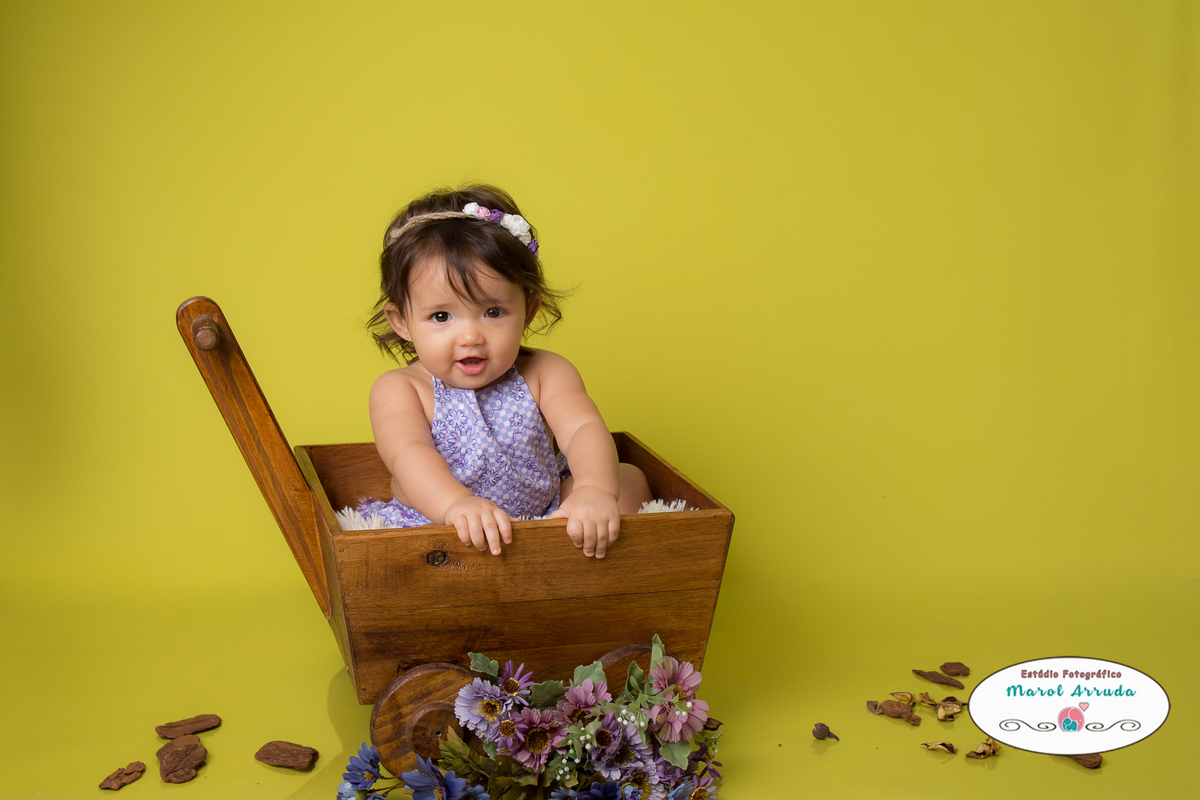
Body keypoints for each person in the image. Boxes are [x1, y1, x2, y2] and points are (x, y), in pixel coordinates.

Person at [359, 184, 651, 558]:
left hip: (542, 509)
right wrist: (456, 504)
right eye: (441, 316)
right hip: (443, 520)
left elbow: (582, 429)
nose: (470, 337)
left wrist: (594, 490)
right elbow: (409, 454)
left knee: (628, 480)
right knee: (422, 548)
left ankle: (591, 570)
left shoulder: (546, 371)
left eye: (493, 312)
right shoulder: (402, 388)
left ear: (528, 311)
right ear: (401, 320)